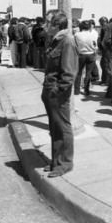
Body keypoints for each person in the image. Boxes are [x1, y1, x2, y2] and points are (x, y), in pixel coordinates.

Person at [41, 11, 78, 178]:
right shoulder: (55, 40)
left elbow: (69, 74)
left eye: (48, 23)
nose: (45, 25)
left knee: (62, 128)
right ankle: (56, 161)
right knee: (54, 129)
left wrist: (58, 91)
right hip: (49, 90)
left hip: (57, 92)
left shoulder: (67, 42)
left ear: (56, 25)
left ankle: (65, 163)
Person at [74, 20, 98, 95]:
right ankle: (86, 90)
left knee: (78, 73)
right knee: (88, 73)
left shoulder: (77, 34)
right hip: (91, 54)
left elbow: (75, 45)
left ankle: (76, 90)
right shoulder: (94, 34)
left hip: (81, 54)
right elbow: (95, 46)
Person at [97, 16, 110, 85]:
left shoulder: (105, 28)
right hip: (106, 49)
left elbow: (104, 40)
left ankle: (106, 81)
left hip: (106, 50)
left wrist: (101, 47)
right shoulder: (106, 27)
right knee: (104, 64)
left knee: (105, 65)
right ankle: (104, 80)